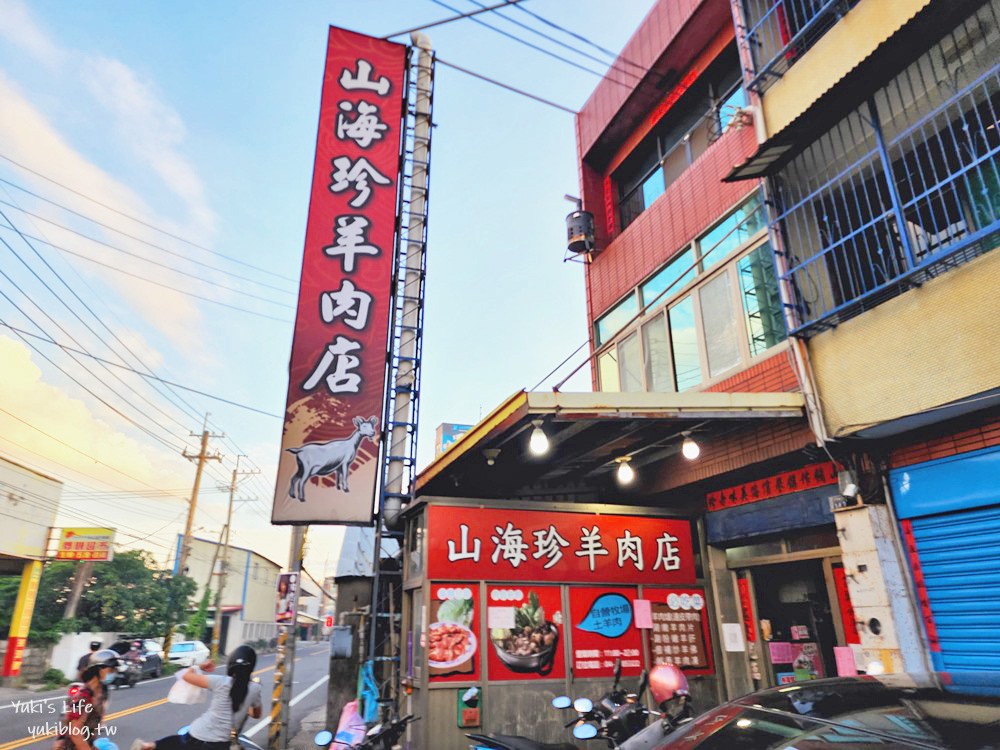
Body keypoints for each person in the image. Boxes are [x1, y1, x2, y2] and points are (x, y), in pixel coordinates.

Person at [131, 645, 262, 750]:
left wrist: (200, 666)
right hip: (220, 744)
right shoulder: (255, 689)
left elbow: (186, 676)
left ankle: (148, 746)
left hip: (197, 734)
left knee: (177, 741)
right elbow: (256, 714)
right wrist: (245, 706)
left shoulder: (220, 682)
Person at [54, 649, 119, 750]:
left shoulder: (100, 692)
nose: (114, 673)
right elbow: (75, 733)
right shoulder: (84, 696)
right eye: (111, 670)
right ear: (99, 670)